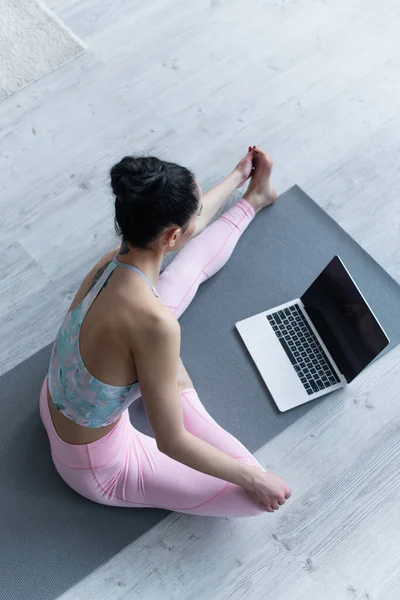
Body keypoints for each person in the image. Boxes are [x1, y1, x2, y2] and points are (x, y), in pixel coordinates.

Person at [40, 145, 292, 517]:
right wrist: (255, 479)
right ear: (171, 235)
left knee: (180, 275)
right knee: (254, 489)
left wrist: (239, 178)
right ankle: (169, 386)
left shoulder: (112, 260)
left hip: (56, 400)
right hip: (96, 466)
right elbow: (172, 442)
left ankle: (254, 200)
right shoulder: (155, 326)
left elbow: (190, 222)